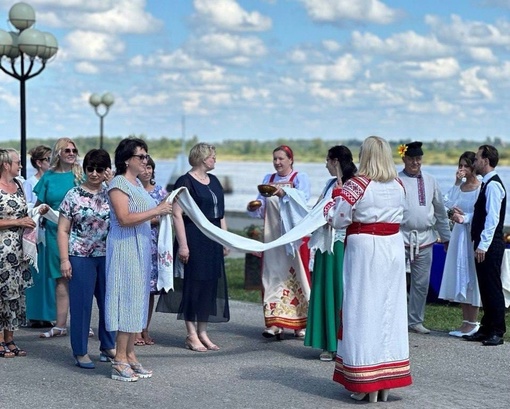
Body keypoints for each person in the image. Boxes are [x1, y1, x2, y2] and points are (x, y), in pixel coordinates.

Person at [325, 136, 412, 403]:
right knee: (390, 310)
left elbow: (339, 219)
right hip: (393, 247)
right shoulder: (399, 184)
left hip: (365, 248)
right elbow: (404, 215)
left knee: (362, 309)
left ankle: (365, 380)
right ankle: (386, 380)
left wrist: (331, 206)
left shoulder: (357, 185)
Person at [105, 138, 172, 381]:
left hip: (140, 246)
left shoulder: (136, 184)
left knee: (138, 301)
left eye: (146, 156)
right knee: (127, 300)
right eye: (140, 156)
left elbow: (145, 216)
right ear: (127, 160)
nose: (145, 161)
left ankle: (130, 354)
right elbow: (124, 217)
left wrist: (164, 208)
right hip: (124, 248)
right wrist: (156, 211)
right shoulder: (118, 183)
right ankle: (119, 358)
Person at [157, 143, 230, 352]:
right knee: (194, 286)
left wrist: (224, 239)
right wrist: (183, 245)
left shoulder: (214, 181)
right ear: (201, 158)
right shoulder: (185, 181)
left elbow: (220, 214)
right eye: (212, 156)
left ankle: (203, 332)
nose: (215, 159)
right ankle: (190, 334)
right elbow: (177, 213)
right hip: (194, 237)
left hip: (212, 238)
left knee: (209, 286)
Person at [57, 149, 116, 369]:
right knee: (81, 306)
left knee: (108, 303)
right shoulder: (73, 195)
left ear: (107, 170)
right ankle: (80, 350)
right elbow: (63, 230)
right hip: (80, 255)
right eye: (90, 168)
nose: (94, 173)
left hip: (108, 255)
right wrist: (64, 259)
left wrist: (112, 185)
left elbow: (125, 216)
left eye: (99, 169)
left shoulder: (112, 193)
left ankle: (108, 345)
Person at [247, 145, 311, 339]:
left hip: (294, 237)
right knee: (272, 275)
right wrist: (254, 206)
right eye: (275, 159)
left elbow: (303, 202)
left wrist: (284, 194)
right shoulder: (269, 179)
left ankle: (302, 323)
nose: (277, 162)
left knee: (299, 275)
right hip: (273, 237)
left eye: (281, 159)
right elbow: (262, 204)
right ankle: (275, 323)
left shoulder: (300, 178)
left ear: (291, 160)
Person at [304, 145, 357, 361]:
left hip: (341, 243)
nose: (325, 164)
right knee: (324, 289)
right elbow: (319, 208)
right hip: (326, 243)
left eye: (327, 160)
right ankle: (327, 341)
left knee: (339, 291)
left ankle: (341, 343)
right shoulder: (328, 184)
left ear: (335, 161)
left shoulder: (353, 183)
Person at [34, 138, 86, 339]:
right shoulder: (47, 177)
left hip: (80, 234)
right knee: (61, 280)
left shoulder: (80, 175)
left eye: (74, 149)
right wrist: (41, 213)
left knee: (81, 280)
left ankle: (82, 323)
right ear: (59, 153)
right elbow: (39, 204)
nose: (72, 153)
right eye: (67, 150)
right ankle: (60, 323)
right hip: (55, 233)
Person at [456, 145, 507, 346]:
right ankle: (486, 328)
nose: (475, 161)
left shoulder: (493, 186)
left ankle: (497, 330)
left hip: (490, 245)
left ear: (486, 161)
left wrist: (483, 246)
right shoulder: (487, 184)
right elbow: (482, 215)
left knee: (492, 287)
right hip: (484, 243)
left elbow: (492, 220)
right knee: (485, 287)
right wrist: (464, 218)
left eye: (477, 158)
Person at [398, 141, 450, 334]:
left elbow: (440, 211)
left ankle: (415, 320)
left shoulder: (430, 180)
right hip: (400, 236)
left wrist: (446, 237)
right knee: (397, 281)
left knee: (421, 283)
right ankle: (398, 319)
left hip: (425, 238)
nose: (415, 162)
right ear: (404, 158)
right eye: (411, 158)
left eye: (418, 159)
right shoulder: (396, 180)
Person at [439, 152, 481, 337]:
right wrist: (456, 183)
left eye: (466, 165)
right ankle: (465, 322)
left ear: (473, 167)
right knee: (460, 275)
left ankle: (473, 321)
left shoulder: (481, 187)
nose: (462, 169)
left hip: (471, 235)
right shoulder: (461, 186)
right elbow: (446, 202)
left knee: (472, 276)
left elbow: (481, 214)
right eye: (460, 165)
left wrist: (463, 217)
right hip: (458, 236)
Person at [0, 148, 37, 358]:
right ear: (6, 164)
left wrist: (34, 216)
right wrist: (16, 222)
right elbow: (15, 218)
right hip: (2, 251)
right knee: (1, 294)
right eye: (17, 162)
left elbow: (25, 212)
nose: (20, 166)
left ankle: (10, 338)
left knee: (15, 294)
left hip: (18, 250)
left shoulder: (20, 185)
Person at [134, 157, 167, 346]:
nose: (147, 171)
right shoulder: (134, 190)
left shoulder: (160, 191)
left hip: (154, 244)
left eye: (150, 168)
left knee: (150, 291)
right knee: (138, 289)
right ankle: (135, 329)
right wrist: (152, 217)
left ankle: (145, 327)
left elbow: (167, 214)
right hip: (138, 241)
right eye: (144, 167)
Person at [23, 145, 55, 329]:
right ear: (38, 163)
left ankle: (49, 314)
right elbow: (28, 205)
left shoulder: (53, 180)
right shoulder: (30, 182)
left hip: (50, 229)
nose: (51, 163)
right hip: (36, 232)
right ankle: (35, 314)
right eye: (47, 160)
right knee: (37, 274)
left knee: (50, 276)